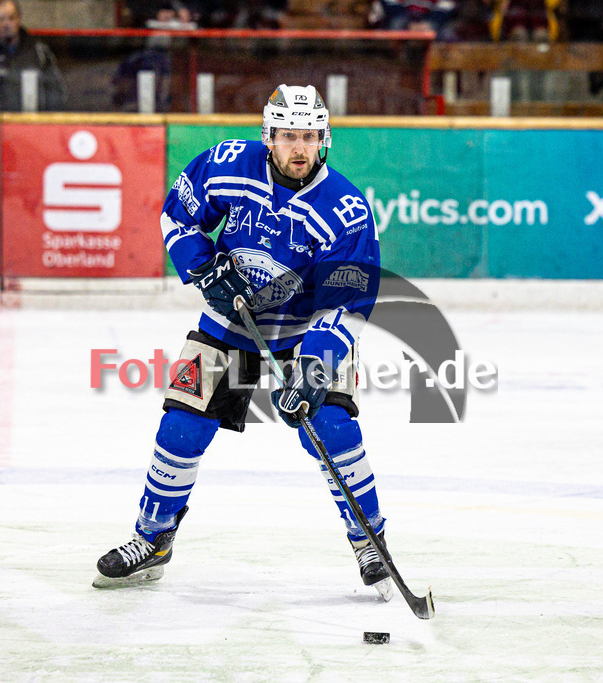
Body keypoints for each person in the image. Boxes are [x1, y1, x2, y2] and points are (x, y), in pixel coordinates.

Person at [93, 84, 392, 601]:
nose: (299, 147)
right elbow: (177, 215)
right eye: (288, 135)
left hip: (305, 333)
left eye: (310, 137)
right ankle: (153, 539)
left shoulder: (346, 209)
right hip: (230, 321)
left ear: (324, 140)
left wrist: (314, 366)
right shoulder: (228, 163)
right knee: (181, 428)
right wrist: (203, 267)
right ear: (268, 135)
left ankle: (370, 541)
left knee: (330, 428)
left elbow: (348, 300)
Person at [0, 0, 65, 112]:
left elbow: (57, 92)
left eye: (11, 18)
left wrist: (44, 121)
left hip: (31, 124)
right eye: (2, 19)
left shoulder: (38, 51)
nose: (6, 24)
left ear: (19, 19)